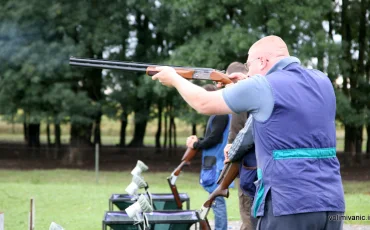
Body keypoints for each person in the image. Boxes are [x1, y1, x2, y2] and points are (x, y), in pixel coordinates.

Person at [152, 35, 345, 230]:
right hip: (331, 202)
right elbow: (287, 105)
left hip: (287, 203)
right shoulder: (322, 81)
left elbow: (203, 103)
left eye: (249, 64)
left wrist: (174, 78)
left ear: (262, 61)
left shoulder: (262, 86)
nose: (248, 69)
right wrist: (246, 82)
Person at [186, 84, 231, 230]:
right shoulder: (221, 112)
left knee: (217, 202)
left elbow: (214, 139)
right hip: (214, 163)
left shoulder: (220, 113)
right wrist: (198, 141)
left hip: (215, 165)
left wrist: (196, 145)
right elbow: (212, 137)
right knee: (215, 201)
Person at [222, 62, 256, 230]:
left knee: (249, 220)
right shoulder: (260, 93)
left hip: (248, 171)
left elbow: (234, 140)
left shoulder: (241, 100)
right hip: (265, 174)